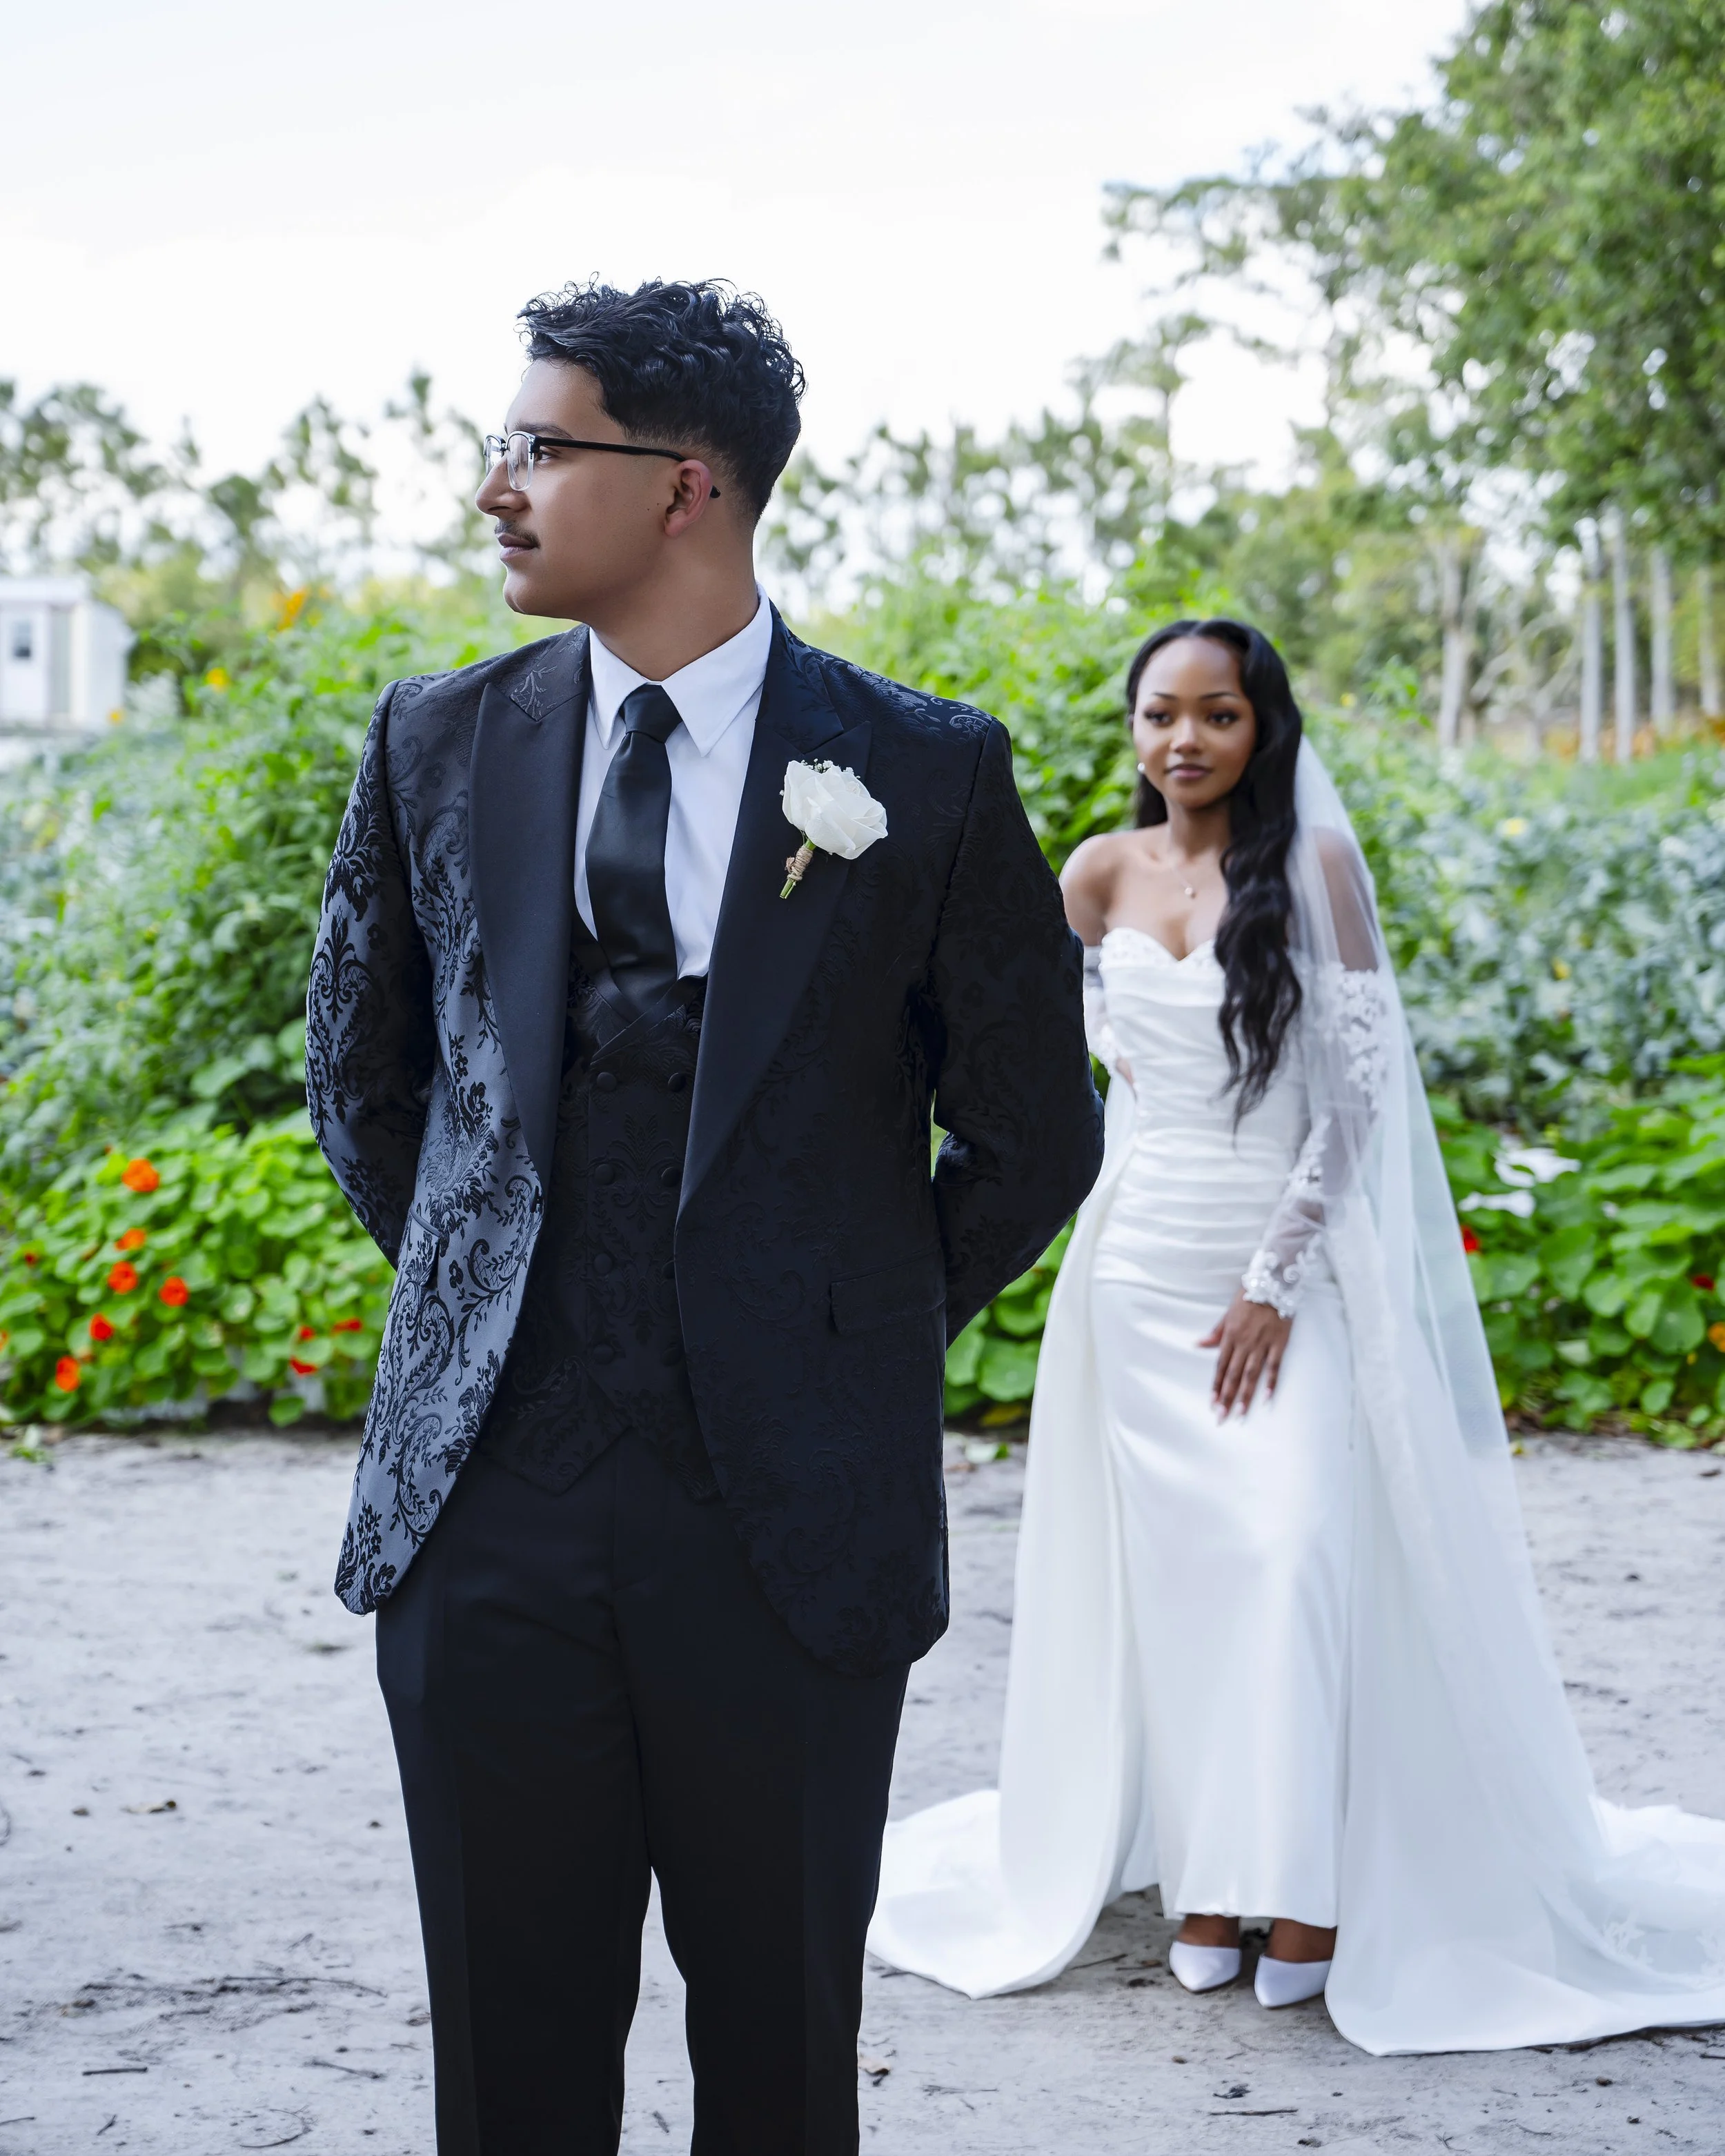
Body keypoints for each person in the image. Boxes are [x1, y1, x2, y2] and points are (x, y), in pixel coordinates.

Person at [304, 277, 1103, 2154]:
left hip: (790, 1527)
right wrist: (481, 1281)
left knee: (775, 2064)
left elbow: (1029, 1130)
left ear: (686, 483)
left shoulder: (921, 767)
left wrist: (834, 1309)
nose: (493, 484)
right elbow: (365, 1074)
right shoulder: (433, 740)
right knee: (506, 2067)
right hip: (483, 1504)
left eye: (535, 444)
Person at [868, 617, 1725, 2053]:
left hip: (1275, 1273)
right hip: (1133, 1270)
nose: (1183, 740)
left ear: (1261, 726)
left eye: (1215, 713)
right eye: (1159, 714)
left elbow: (1356, 1101)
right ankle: (1209, 1889)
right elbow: (1025, 1047)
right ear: (1133, 727)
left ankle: (1306, 1894)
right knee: (1175, 1590)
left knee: (1281, 1556)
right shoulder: (1092, 871)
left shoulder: (1309, 869)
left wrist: (1273, 1277)